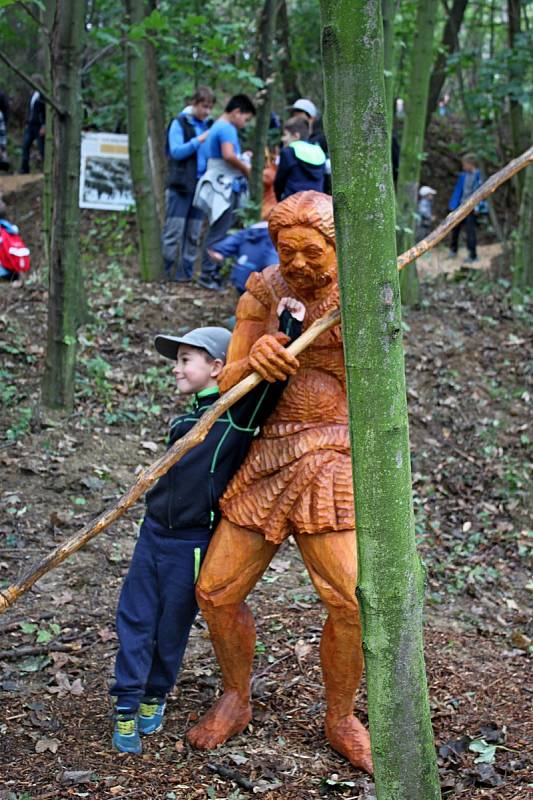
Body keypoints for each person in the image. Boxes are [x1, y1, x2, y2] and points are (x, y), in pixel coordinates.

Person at [185, 191, 373, 775]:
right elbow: (228, 380)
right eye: (285, 251)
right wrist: (258, 354)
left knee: (350, 601)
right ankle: (236, 697)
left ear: (336, 247)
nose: (298, 264)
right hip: (266, 453)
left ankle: (341, 715)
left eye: (311, 252)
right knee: (215, 592)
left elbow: (383, 378)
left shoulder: (362, 288)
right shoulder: (264, 291)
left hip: (332, 456)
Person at [110, 303, 304, 755]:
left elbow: (275, 378)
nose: (176, 368)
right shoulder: (183, 420)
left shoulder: (233, 414)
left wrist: (288, 325)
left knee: (171, 624)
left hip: (191, 543)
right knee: (134, 617)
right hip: (152, 535)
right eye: (176, 361)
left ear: (216, 366)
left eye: (185, 360)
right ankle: (125, 707)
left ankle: (154, 695)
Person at [194, 94, 256, 291]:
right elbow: (228, 155)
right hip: (223, 184)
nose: (245, 125)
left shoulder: (217, 126)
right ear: (237, 112)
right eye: (245, 119)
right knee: (218, 230)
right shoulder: (227, 128)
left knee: (217, 228)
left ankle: (211, 271)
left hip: (218, 180)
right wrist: (247, 170)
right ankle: (208, 273)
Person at [161, 87, 215, 282]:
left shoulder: (210, 124)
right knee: (174, 230)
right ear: (194, 103)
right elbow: (175, 151)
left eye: (210, 107)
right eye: (203, 106)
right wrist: (198, 140)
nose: (207, 111)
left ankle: (186, 274)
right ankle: (166, 272)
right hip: (181, 186)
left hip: (202, 187)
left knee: (193, 233)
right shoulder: (179, 123)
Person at [207, 218, 278, 294]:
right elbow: (274, 267)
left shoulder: (245, 233)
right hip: (260, 288)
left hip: (240, 282)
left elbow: (216, 253)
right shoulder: (274, 240)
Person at [274, 116, 326, 201]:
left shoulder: (288, 152)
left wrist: (279, 200)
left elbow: (279, 182)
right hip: (316, 205)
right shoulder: (319, 152)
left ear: (296, 136)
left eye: (285, 135)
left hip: (293, 204)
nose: (282, 139)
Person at [448, 153, 482, 262]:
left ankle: (473, 255)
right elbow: (458, 191)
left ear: (471, 164)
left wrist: (478, 207)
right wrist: (453, 205)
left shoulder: (479, 176)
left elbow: (481, 192)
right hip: (460, 206)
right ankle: (453, 250)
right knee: (455, 228)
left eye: (465, 164)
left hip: (471, 208)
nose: (463, 167)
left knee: (470, 231)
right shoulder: (463, 176)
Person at [20, 78, 45, 174]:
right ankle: (24, 169)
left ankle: (45, 169)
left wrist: (44, 125)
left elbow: (44, 112)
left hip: (39, 125)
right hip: (31, 125)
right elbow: (30, 110)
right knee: (25, 145)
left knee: (42, 148)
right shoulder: (33, 95)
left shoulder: (42, 96)